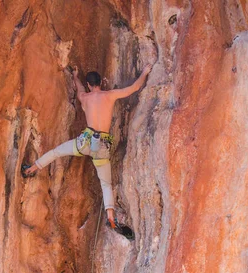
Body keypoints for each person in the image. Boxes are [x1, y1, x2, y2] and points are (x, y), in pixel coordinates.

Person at [22, 64, 152, 231]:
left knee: (56, 153)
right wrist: (145, 72)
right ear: (100, 84)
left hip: (84, 142)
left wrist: (76, 76)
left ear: (90, 85)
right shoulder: (110, 95)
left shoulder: (85, 97)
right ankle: (111, 217)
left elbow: (79, 89)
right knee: (106, 184)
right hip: (102, 146)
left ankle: (31, 169)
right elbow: (134, 87)